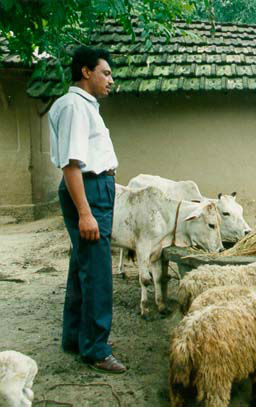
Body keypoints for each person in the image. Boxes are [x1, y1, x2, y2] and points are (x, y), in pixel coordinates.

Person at [48, 46, 126, 373]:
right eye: (105, 73)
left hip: (94, 187)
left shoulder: (84, 106)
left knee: (83, 264)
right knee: (96, 271)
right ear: (85, 72)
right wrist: (85, 212)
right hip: (89, 190)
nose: (111, 80)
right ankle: (95, 348)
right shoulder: (74, 108)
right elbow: (71, 164)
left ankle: (75, 337)